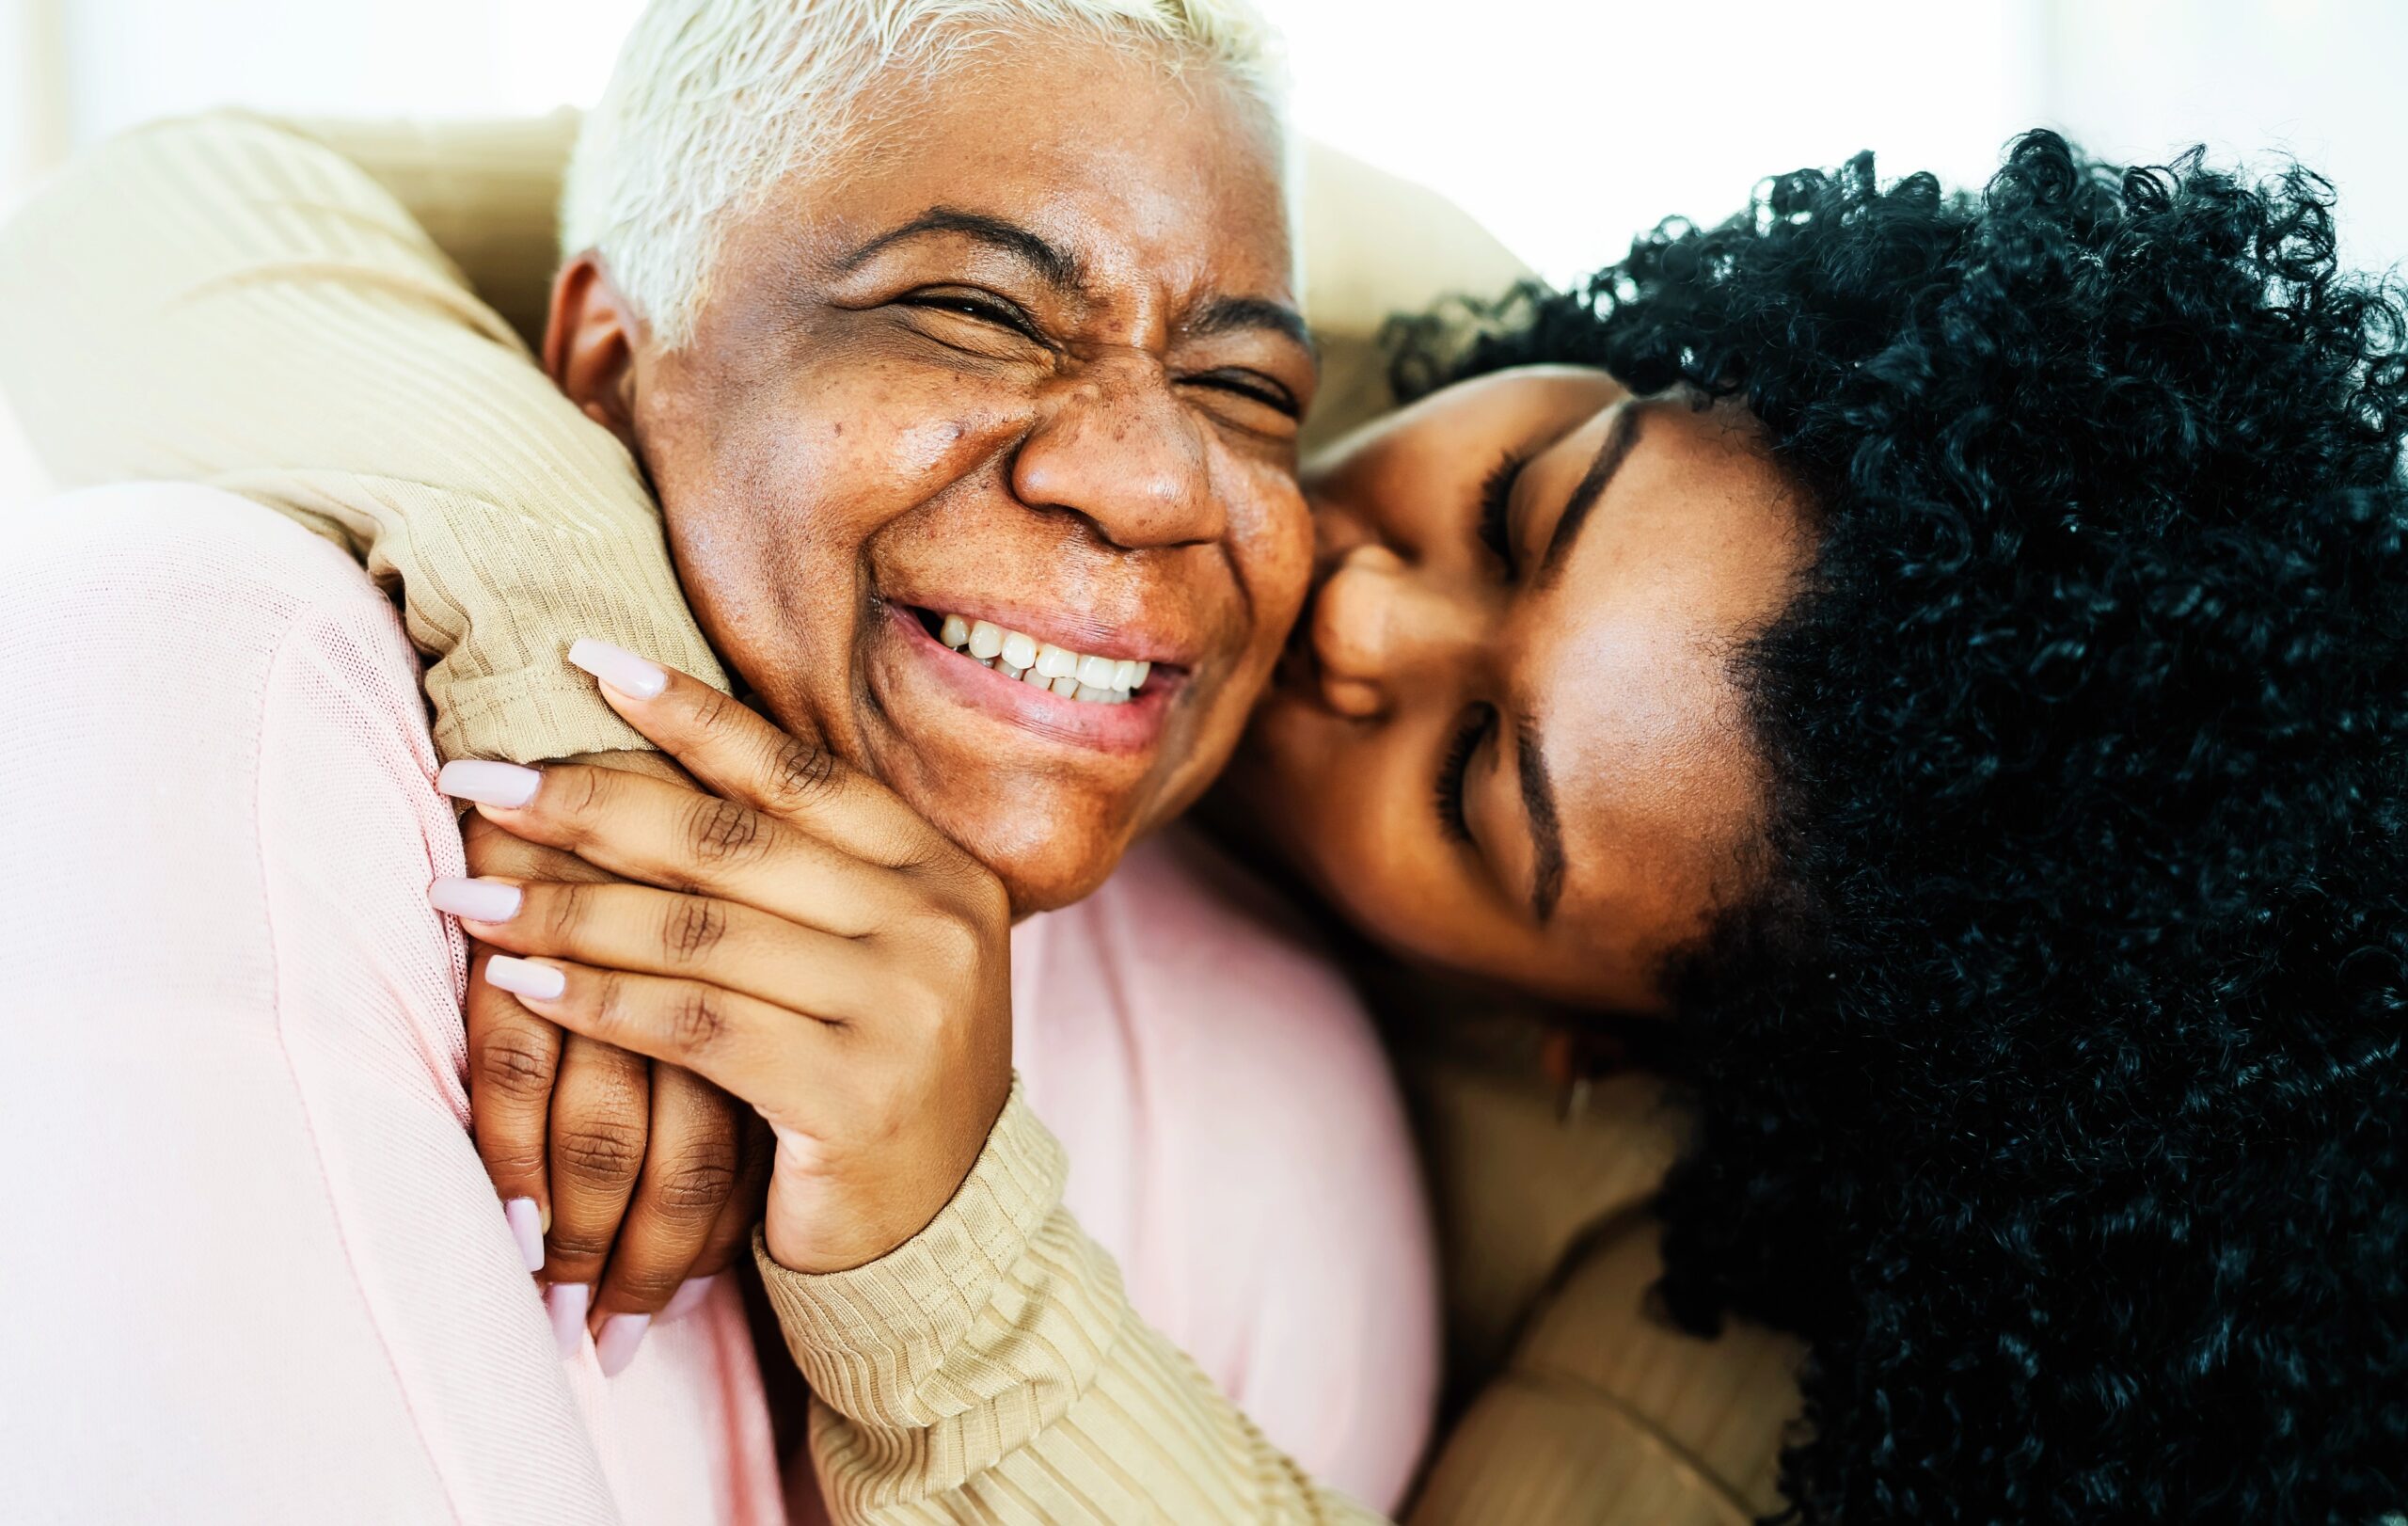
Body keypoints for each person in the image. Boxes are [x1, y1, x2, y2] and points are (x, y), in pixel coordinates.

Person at [13, 29, 2399, 1526]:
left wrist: (941, 1229)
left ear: (1587, 1041)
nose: (1354, 597)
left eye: (1481, 780)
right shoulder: (1291, 289)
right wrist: (571, 658)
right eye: (1519, 500)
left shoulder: (1708, 1342)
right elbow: (168, 217)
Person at [0, 1, 1484, 1519]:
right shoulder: (227, 699)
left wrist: (947, 1266)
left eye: (1248, 393)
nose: (1157, 478)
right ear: (603, 358)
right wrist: (585, 664)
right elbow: (124, 222)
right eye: (975, 308)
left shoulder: (1285, 1088)